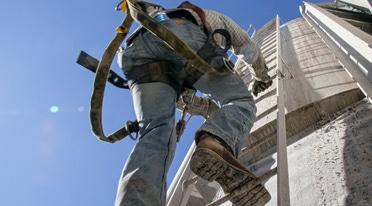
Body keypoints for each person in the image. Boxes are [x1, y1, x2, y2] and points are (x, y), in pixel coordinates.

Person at [115, 1, 273, 205]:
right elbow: (246, 46)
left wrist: (212, 111)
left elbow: (184, 100)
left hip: (135, 53)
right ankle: (216, 145)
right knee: (240, 100)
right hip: (180, 32)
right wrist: (262, 76)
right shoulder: (212, 17)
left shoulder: (152, 19)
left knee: (154, 132)